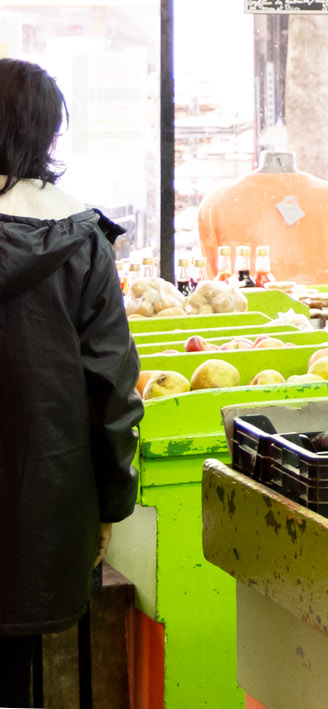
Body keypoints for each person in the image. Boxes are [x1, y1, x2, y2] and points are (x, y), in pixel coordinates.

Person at [0, 61, 143, 707]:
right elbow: (110, 388)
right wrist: (113, 503)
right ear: (48, 132)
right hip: (42, 505)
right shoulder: (82, 241)